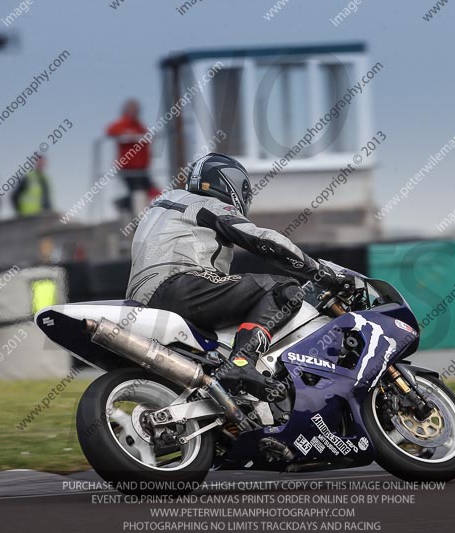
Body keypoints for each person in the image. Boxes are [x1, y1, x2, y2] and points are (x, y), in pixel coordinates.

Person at [126, 153, 351, 401]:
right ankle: (242, 362)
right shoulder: (204, 203)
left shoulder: (161, 205)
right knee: (281, 289)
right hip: (181, 286)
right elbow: (264, 241)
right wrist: (319, 272)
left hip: (141, 302)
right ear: (230, 183)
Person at [106, 99, 153, 215]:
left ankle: (123, 204)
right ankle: (138, 217)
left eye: (136, 110)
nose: (135, 112)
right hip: (128, 167)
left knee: (149, 190)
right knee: (138, 190)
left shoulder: (139, 125)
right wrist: (127, 134)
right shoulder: (122, 123)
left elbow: (147, 136)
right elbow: (110, 131)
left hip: (142, 168)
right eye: (132, 110)